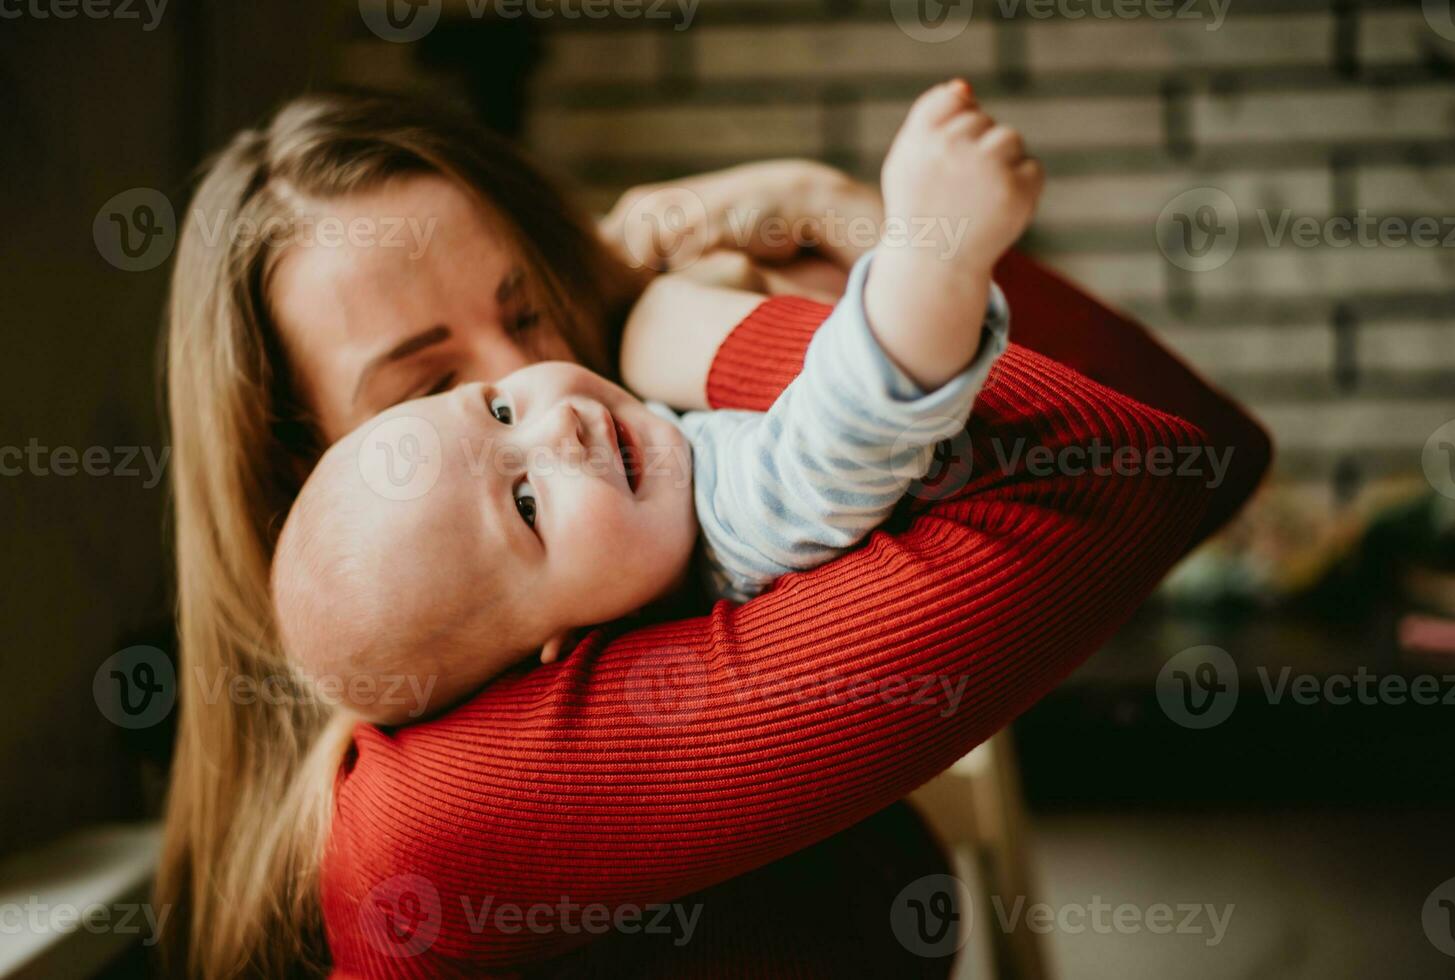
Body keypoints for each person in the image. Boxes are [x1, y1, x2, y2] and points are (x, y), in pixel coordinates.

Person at [157, 83, 1270, 977]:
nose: (547, 389)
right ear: (302, 473)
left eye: (532, 303)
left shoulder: (648, 540)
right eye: (427, 389)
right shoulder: (440, 805)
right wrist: (678, 326)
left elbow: (1204, 456)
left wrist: (825, 207)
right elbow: (1113, 467)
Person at [270, 80, 1030, 725]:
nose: (556, 424)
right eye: (528, 504)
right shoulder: (734, 522)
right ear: (562, 647)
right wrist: (938, 251)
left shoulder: (644, 470)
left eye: (499, 409)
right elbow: (849, 431)